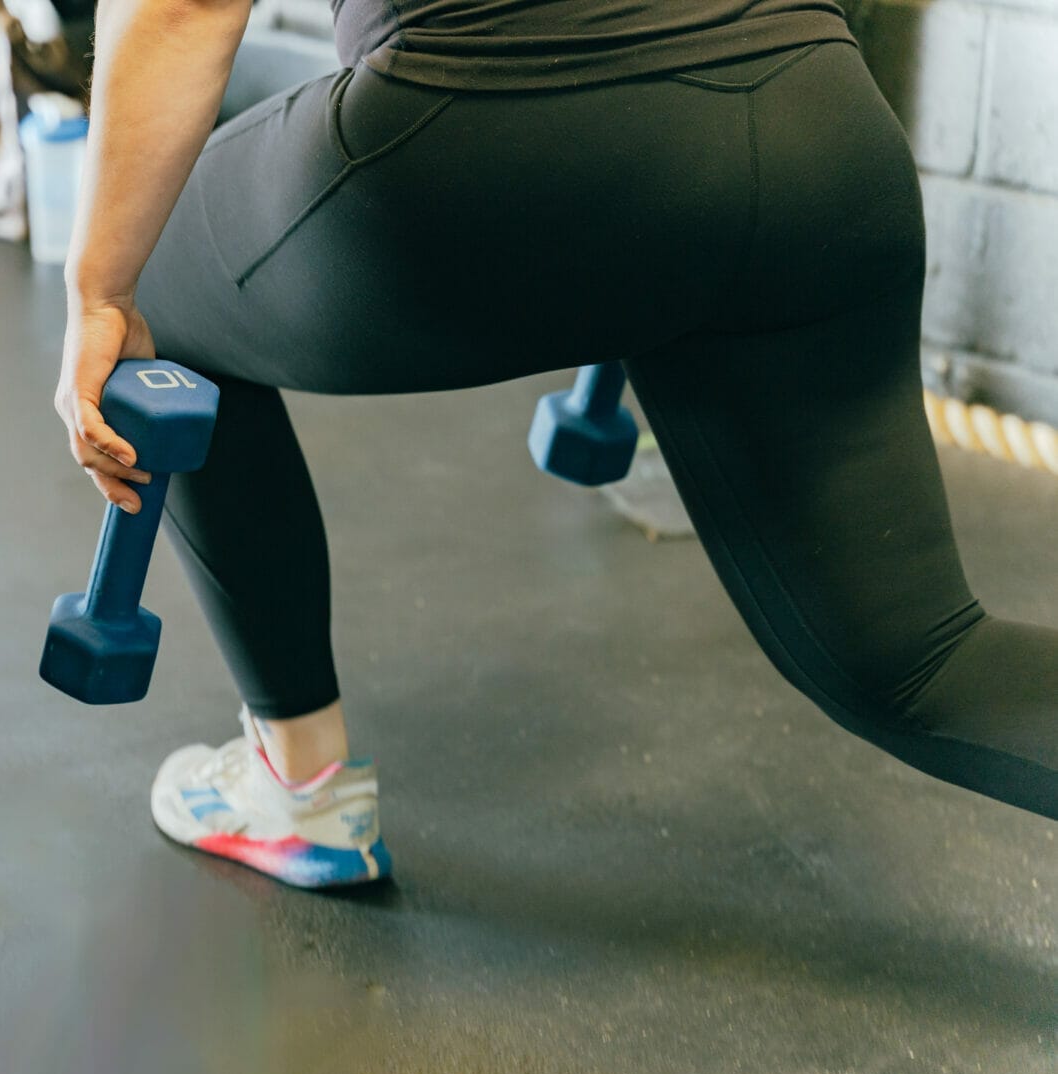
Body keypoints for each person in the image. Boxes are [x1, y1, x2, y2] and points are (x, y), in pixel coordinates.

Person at [52, 0, 1058, 890]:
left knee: (158, 280)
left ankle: (298, 784)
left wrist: (100, 288)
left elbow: (187, 8)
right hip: (815, 121)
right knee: (917, 661)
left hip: (499, 142)